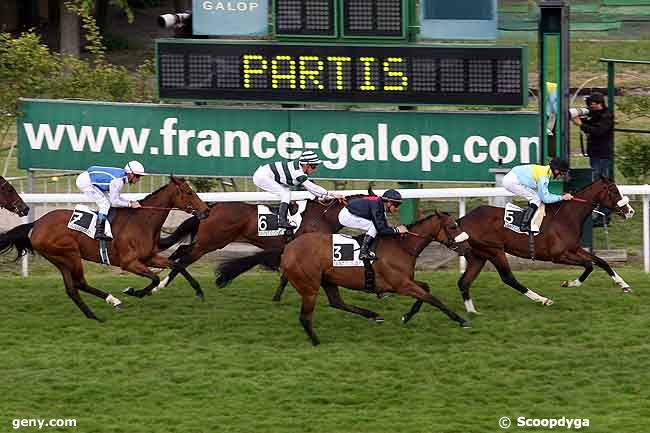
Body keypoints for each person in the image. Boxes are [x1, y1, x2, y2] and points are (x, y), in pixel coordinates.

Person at [253, 150, 342, 229]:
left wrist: (324, 195)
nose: (315, 169)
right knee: (286, 194)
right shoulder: (297, 172)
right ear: (306, 165)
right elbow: (311, 187)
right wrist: (330, 194)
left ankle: (280, 213)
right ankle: (282, 220)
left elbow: (312, 189)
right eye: (314, 166)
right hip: (262, 177)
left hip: (267, 175)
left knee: (287, 192)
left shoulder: (299, 168)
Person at [571, 91, 614, 225]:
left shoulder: (606, 116)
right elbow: (590, 123)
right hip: (596, 155)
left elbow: (597, 130)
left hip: (602, 156)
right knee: (598, 184)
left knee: (602, 185)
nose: (589, 107)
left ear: (599, 104)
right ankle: (601, 215)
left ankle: (604, 216)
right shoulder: (596, 115)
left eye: (591, 104)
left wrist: (581, 124)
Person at [75, 161, 146, 241]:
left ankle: (105, 223)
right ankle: (99, 231)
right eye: (138, 176)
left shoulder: (122, 177)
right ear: (130, 174)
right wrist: (130, 204)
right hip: (86, 183)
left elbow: (116, 198)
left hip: (90, 178)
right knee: (105, 204)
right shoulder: (118, 181)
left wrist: (130, 202)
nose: (138, 179)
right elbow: (114, 202)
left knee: (107, 202)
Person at [502, 157, 573, 232]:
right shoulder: (543, 176)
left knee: (535, 197)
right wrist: (562, 197)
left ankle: (528, 218)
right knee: (536, 199)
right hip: (512, 181)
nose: (561, 176)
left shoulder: (545, 171)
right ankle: (524, 225)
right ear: (556, 170)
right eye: (562, 173)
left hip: (513, 177)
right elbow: (545, 199)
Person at [338, 189, 408, 260]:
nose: (397, 208)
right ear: (389, 203)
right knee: (374, 227)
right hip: (347, 216)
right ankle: (363, 252)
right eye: (396, 205)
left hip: (352, 212)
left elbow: (384, 227)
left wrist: (396, 231)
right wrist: (398, 230)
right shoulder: (377, 207)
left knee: (376, 226)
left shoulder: (380, 205)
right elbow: (381, 230)